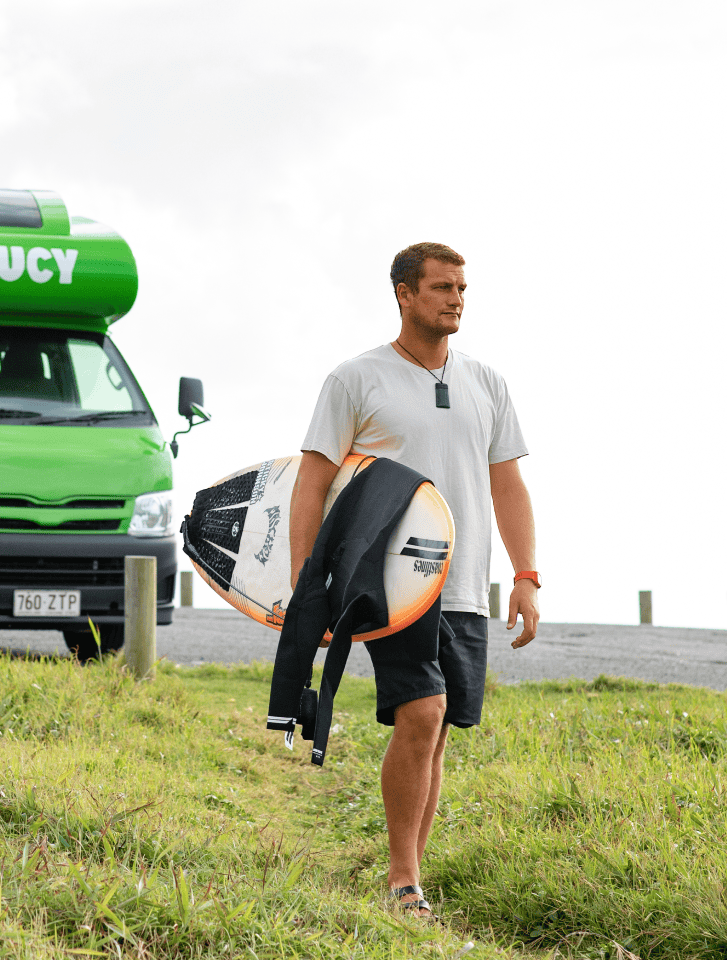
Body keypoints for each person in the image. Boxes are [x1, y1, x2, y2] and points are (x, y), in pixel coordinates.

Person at [288, 241, 540, 918]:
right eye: (441, 288)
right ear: (404, 293)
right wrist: (309, 583)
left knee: (437, 728)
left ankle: (412, 879)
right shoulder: (357, 380)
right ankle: (403, 881)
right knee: (422, 712)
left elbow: (507, 484)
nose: (455, 299)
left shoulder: (487, 383)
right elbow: (311, 482)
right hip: (387, 582)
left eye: (462, 289)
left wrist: (526, 574)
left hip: (464, 585)